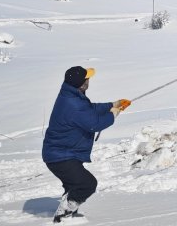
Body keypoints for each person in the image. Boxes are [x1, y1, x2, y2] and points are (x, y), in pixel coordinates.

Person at [42, 66, 130, 222]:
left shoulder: (72, 94)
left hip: (63, 153)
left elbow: (90, 109)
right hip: (60, 156)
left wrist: (112, 104)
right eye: (87, 78)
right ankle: (62, 216)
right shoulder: (73, 104)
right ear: (82, 84)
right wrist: (113, 113)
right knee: (87, 184)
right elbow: (94, 124)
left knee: (74, 187)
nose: (89, 80)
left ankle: (68, 217)